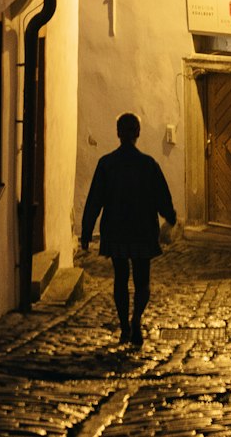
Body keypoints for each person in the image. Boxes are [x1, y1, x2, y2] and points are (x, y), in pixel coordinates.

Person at [80, 111, 176, 346]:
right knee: (142, 280)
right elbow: (162, 197)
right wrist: (170, 217)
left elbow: (95, 200)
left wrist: (86, 231)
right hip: (142, 229)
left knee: (120, 278)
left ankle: (124, 326)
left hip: (116, 230)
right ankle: (136, 319)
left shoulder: (107, 164)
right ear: (138, 134)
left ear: (118, 133)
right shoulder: (148, 165)